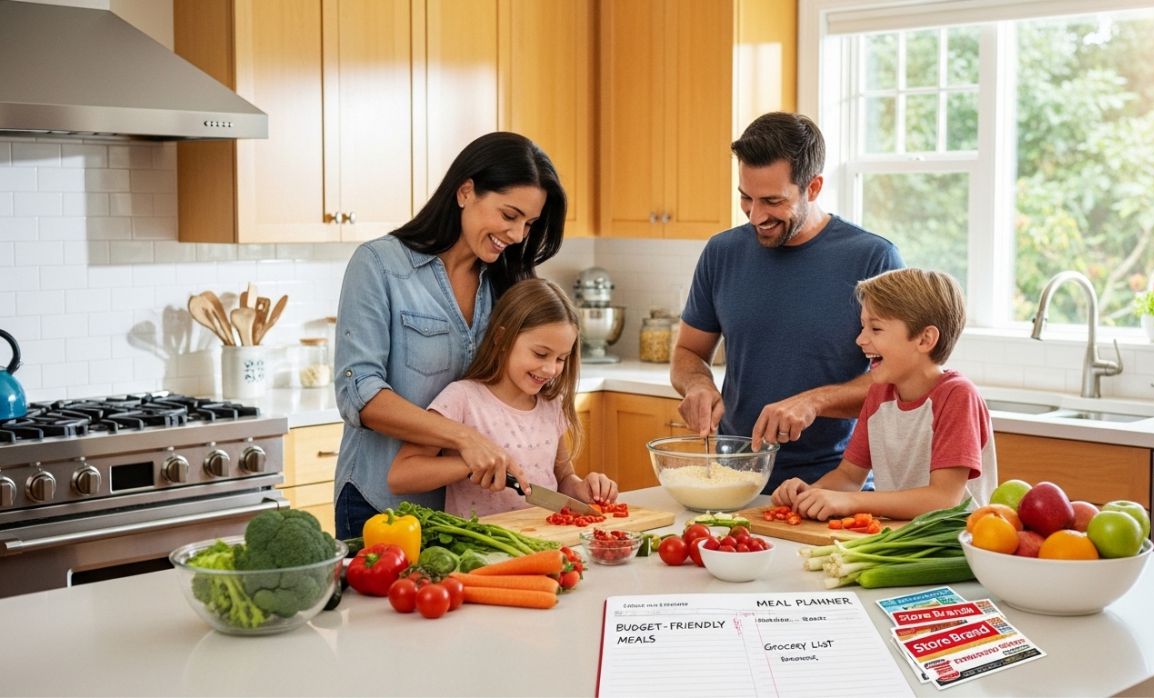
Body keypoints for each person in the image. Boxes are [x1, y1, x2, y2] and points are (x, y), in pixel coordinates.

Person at [332, 132, 567, 539]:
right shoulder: (379, 265)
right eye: (509, 216)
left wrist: (569, 477)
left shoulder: (509, 282)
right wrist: (464, 438)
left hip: (472, 517)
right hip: (380, 507)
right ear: (465, 191)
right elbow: (361, 394)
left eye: (528, 224)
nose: (516, 235)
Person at [671, 112, 904, 493]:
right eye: (746, 198)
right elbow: (687, 352)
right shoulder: (722, 252)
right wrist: (697, 385)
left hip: (834, 485)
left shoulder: (872, 259)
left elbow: (896, 380)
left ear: (813, 187)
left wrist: (814, 402)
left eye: (773, 201)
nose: (756, 215)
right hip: (735, 479)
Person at [771, 268, 997, 521]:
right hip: (900, 537)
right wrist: (812, 494)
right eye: (863, 326)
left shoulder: (957, 396)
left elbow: (944, 500)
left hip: (951, 544)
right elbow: (848, 477)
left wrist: (850, 502)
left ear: (925, 339)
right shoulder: (880, 395)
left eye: (876, 329)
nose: (860, 339)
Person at [387, 279, 618, 517]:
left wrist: (582, 488)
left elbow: (563, 477)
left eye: (561, 359)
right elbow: (401, 475)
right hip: (481, 547)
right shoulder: (462, 399)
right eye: (540, 354)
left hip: (544, 541)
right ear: (501, 337)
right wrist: (468, 465)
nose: (550, 369)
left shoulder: (551, 405)